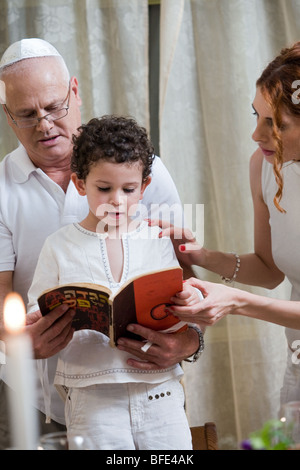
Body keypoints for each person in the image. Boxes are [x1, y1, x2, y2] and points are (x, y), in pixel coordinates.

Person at [0, 38, 201, 449]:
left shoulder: (146, 168)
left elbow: (187, 278)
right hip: (37, 398)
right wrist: (18, 343)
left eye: (54, 106)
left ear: (74, 91)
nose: (44, 124)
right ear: (7, 116)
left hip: (149, 384)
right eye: (26, 114)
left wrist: (189, 341)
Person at [157, 41, 300, 407]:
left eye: (276, 124)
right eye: (256, 115)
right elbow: (269, 271)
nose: (257, 134)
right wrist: (199, 255)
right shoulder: (264, 166)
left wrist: (235, 302)